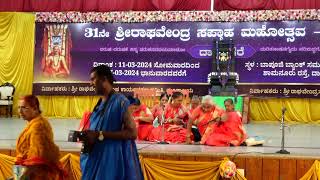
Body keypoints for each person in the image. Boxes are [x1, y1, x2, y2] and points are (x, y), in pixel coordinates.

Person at [80, 65, 143, 180]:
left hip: (111, 159)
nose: (91, 83)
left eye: (93, 79)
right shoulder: (100, 103)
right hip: (96, 156)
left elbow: (132, 133)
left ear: (104, 79)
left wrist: (99, 134)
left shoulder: (120, 101)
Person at [16, 95, 65, 180]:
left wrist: (21, 177)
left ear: (35, 108)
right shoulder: (34, 123)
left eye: (24, 108)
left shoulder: (39, 126)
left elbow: (38, 159)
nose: (20, 111)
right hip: (26, 170)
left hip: (35, 174)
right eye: (19, 107)